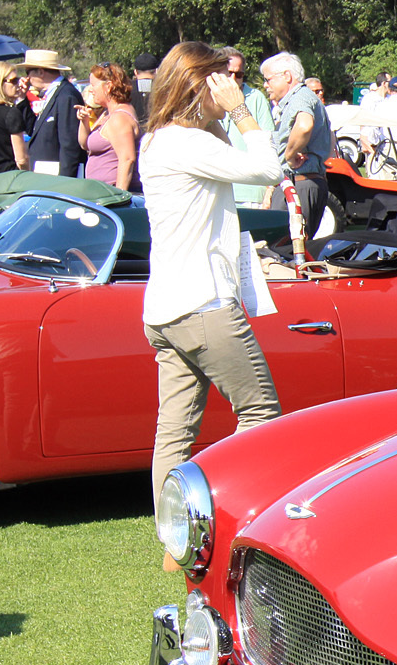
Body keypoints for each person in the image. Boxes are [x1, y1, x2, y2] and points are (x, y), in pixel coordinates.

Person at [137, 41, 287, 529]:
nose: (231, 90)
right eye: (220, 81)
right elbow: (268, 168)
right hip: (203, 305)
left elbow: (224, 154)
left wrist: (218, 114)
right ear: (199, 85)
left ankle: (173, 536)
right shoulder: (188, 144)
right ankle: (239, 521)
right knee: (262, 415)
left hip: (164, 308)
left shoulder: (159, 138)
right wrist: (241, 111)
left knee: (174, 430)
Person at [260, 51, 335, 235]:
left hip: (299, 184)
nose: (265, 85)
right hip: (301, 183)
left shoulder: (300, 97)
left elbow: (304, 125)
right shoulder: (302, 98)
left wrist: (289, 155)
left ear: (286, 76)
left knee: (287, 252)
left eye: (268, 79)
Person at [19, 49, 85, 176]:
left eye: (28, 73)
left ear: (40, 72)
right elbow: (33, 130)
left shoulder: (66, 96)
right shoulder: (51, 94)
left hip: (58, 177)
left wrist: (65, 182)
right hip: (45, 175)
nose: (27, 78)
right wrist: (22, 99)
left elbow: (69, 145)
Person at [78, 63, 141, 195]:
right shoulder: (108, 114)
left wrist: (119, 197)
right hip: (101, 193)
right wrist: (84, 122)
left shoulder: (119, 118)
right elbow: (84, 145)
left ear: (109, 86)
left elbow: (127, 159)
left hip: (111, 194)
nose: (90, 90)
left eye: (93, 85)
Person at [129, 53, 158, 124]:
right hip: (157, 131)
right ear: (156, 71)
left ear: (135, 72)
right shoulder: (163, 88)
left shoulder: (127, 89)